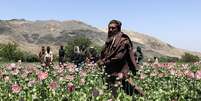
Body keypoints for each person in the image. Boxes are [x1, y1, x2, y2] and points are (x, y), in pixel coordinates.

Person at [97, 20, 143, 97]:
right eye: (109, 28)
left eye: (113, 28)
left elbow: (119, 57)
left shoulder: (124, 41)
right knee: (113, 92)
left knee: (126, 89)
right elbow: (105, 53)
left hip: (120, 71)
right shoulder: (110, 40)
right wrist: (100, 60)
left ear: (118, 29)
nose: (110, 30)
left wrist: (104, 62)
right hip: (110, 71)